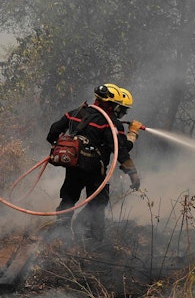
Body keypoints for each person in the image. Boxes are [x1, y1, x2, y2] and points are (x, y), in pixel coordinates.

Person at [46, 83, 142, 241]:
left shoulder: (76, 113)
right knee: (98, 203)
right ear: (111, 105)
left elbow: (52, 133)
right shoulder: (110, 123)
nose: (121, 113)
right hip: (96, 171)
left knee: (69, 198)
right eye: (120, 108)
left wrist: (63, 145)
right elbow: (121, 150)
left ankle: (60, 235)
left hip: (74, 167)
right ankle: (93, 240)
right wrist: (132, 136)